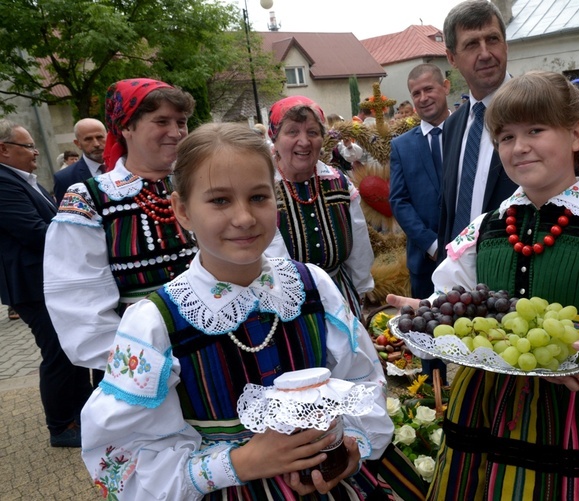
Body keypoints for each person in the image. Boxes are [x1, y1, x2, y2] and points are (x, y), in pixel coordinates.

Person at [388, 71, 579, 500]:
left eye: (536, 130)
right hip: (489, 408)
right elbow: (455, 303)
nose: (520, 147)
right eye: (506, 136)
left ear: (575, 134)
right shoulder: (486, 228)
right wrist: (425, 313)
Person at [79, 122, 393, 499]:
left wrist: (350, 446)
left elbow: (361, 380)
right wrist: (240, 463)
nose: (244, 218)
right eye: (220, 200)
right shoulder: (155, 322)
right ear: (182, 210)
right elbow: (123, 456)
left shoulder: (312, 285)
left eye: (258, 197)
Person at [44, 79, 198, 374]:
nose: (176, 132)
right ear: (126, 127)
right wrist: (148, 369)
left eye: (181, 122)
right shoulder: (90, 198)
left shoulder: (199, 181)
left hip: (220, 346)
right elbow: (79, 307)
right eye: (161, 121)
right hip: (143, 359)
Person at [0, 119, 93, 447]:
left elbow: (51, 219)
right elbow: (35, 231)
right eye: (28, 146)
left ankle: (83, 415)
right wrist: (84, 234)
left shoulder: (22, 178)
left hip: (49, 281)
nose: (36, 151)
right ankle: (60, 426)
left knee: (72, 349)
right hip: (31, 286)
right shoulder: (3, 182)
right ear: (4, 150)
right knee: (57, 353)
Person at [265, 96, 374, 320]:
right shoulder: (261, 189)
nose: (304, 141)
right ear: (274, 138)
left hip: (340, 297)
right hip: (284, 307)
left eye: (312, 132)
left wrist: (360, 292)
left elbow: (359, 248)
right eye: (292, 132)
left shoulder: (338, 183)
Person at [438, 0, 517, 262]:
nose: (485, 53)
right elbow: (448, 211)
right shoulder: (452, 125)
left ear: (505, 44)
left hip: (518, 273)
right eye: (472, 44)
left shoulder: (537, 112)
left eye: (492, 39)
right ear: (451, 58)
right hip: (460, 283)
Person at [389, 63, 451, 384]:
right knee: (429, 337)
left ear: (446, 86)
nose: (424, 97)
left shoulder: (471, 134)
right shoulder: (402, 146)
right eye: (416, 93)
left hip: (470, 254)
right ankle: (434, 398)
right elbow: (399, 201)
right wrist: (431, 244)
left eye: (429, 89)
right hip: (424, 261)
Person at [53, 118, 107, 204]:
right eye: (88, 139)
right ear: (78, 144)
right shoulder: (64, 179)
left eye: (100, 137)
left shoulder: (126, 165)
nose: (96, 144)